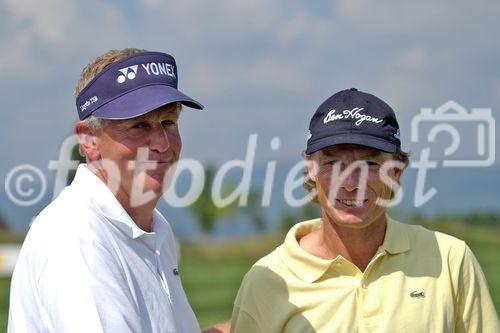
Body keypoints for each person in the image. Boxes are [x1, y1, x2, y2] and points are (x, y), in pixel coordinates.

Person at [231, 88, 499, 332]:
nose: (349, 183)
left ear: (396, 170)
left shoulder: (451, 260)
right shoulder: (267, 279)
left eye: (370, 164)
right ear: (311, 168)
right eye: (334, 163)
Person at [8, 48, 223, 332]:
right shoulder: (78, 239)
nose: (161, 143)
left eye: (168, 122)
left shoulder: (156, 228)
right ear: (88, 140)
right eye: (139, 125)